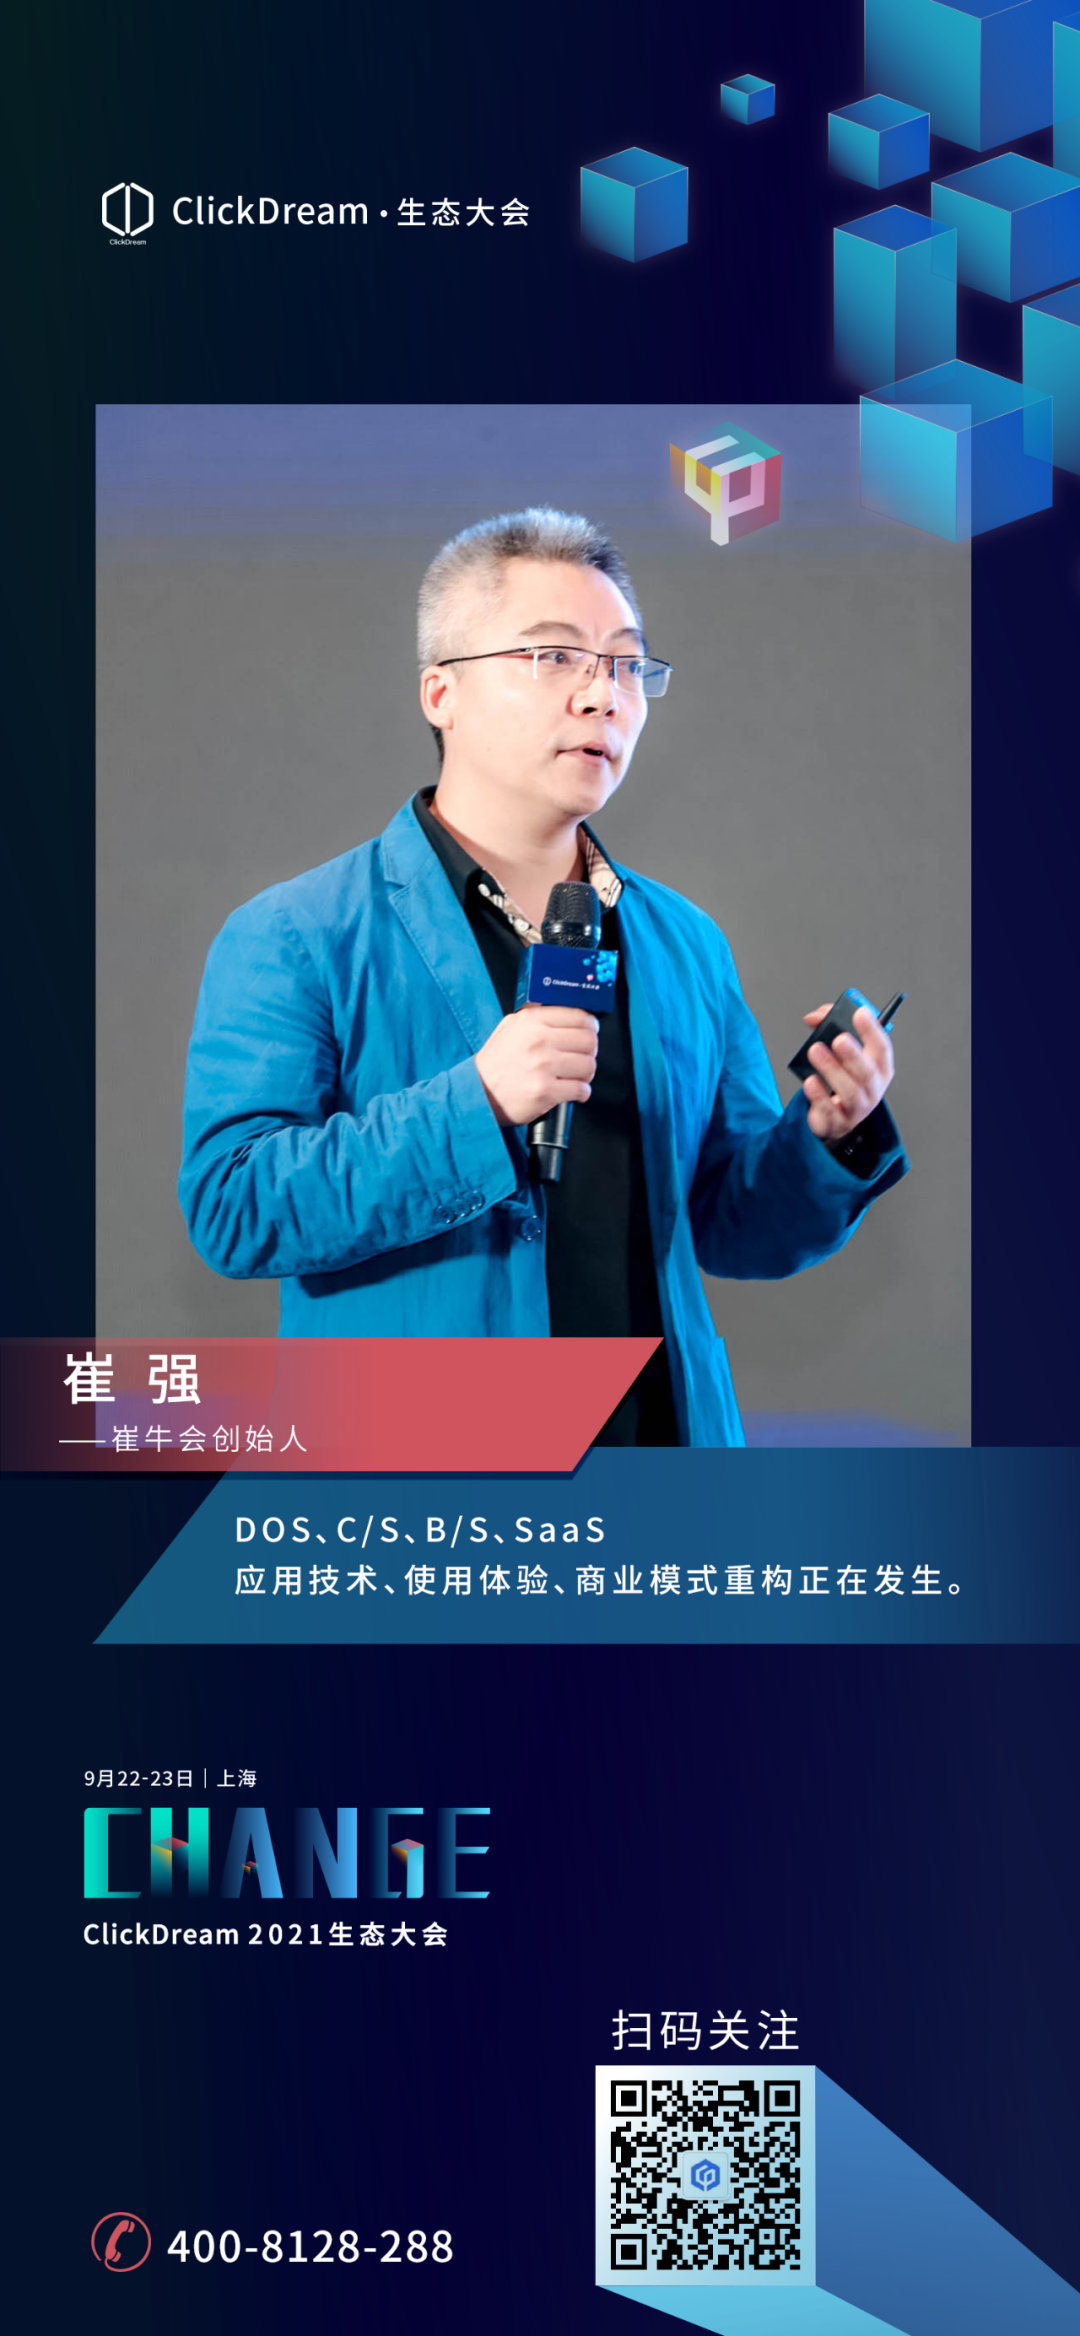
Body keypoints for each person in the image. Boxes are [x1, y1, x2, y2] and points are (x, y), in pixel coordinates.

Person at [179, 507, 907, 1447]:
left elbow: (734, 1228)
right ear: (441, 692)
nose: (604, 696)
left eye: (627, 665)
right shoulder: (298, 932)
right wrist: (476, 1103)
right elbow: (235, 1207)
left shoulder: (684, 941)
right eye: (554, 656)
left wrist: (827, 1135)